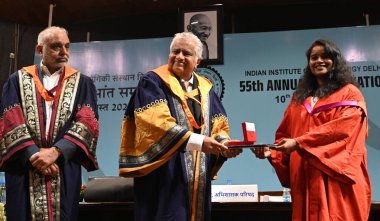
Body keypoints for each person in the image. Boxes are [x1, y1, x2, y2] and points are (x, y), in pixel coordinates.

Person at [119, 32, 242, 221]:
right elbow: (155, 124)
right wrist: (200, 142)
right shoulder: (153, 82)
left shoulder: (206, 89)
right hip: (163, 177)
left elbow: (218, 125)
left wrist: (224, 145)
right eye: (175, 51)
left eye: (187, 53)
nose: (179, 57)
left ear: (198, 61)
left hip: (197, 182)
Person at [251, 39, 371, 221]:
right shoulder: (300, 99)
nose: (319, 61)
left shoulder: (349, 93)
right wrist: (272, 152)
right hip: (305, 180)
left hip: (335, 178)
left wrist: (299, 143)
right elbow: (285, 134)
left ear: (335, 61)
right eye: (314, 57)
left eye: (325, 56)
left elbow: (343, 131)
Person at [0, 26, 99, 221]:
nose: (64, 53)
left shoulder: (82, 83)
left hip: (62, 167)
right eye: (56, 47)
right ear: (40, 50)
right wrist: (34, 155)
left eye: (67, 46)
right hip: (25, 167)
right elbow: (10, 121)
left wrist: (56, 152)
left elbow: (87, 123)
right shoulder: (17, 80)